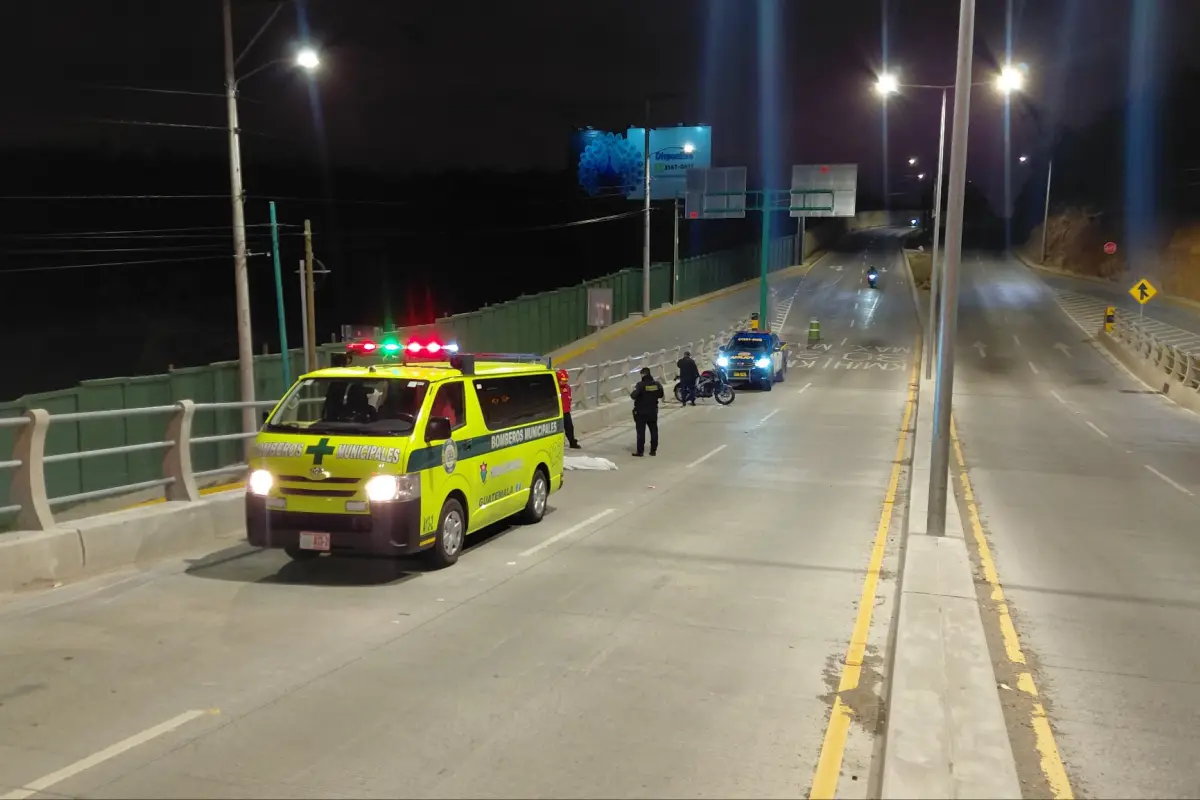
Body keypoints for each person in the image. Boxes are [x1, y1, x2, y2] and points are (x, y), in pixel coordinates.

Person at [629, 366, 664, 457]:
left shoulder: (640, 385)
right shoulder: (656, 384)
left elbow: (633, 396)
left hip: (641, 412)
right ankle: (653, 450)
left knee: (641, 432)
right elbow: (661, 395)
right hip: (652, 411)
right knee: (653, 431)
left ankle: (640, 451)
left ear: (643, 375)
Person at [555, 368, 581, 449]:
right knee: (558, 429)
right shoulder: (555, 389)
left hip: (566, 411)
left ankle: (572, 442)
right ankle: (559, 443)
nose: (565, 382)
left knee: (569, 427)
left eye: (566, 380)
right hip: (557, 413)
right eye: (563, 380)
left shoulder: (567, 388)